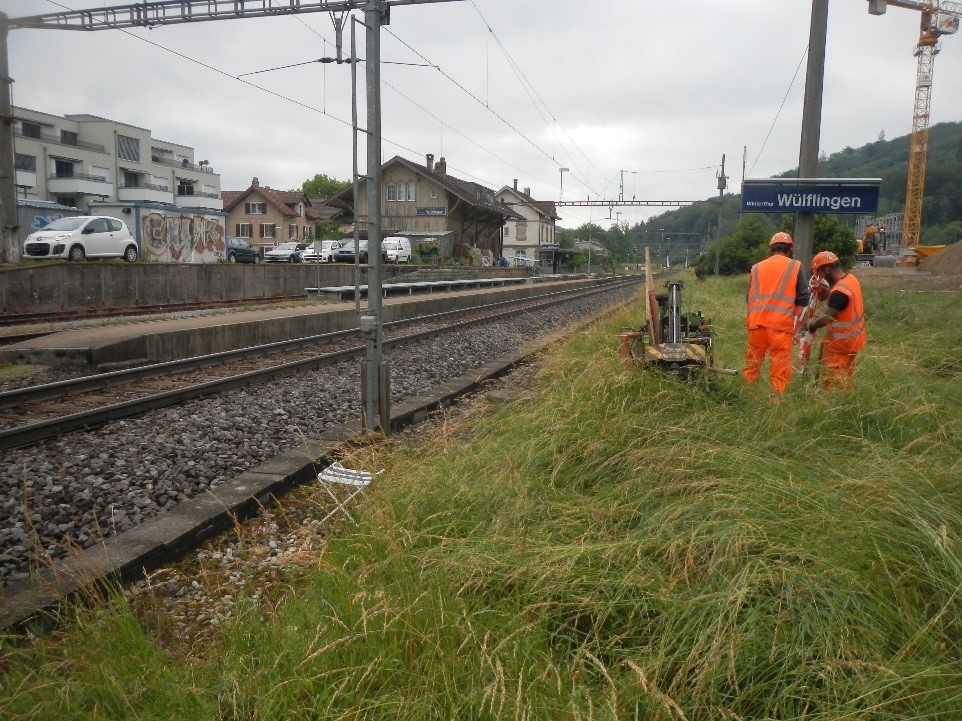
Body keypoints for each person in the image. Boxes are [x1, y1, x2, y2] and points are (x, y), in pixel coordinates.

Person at [743, 231, 810, 394]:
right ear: (790, 249)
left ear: (771, 249)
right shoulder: (795, 266)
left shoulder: (756, 268)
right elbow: (804, 298)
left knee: (752, 367)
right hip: (780, 328)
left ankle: (747, 397)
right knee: (780, 371)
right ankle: (777, 403)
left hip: (756, 326)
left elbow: (748, 297)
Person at [805, 250, 866, 391]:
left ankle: (840, 403)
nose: (820, 278)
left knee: (835, 379)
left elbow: (827, 317)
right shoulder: (850, 280)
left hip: (840, 345)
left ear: (827, 269)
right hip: (854, 341)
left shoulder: (839, 292)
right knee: (846, 375)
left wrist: (811, 324)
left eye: (819, 274)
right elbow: (839, 302)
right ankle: (848, 400)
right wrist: (826, 293)